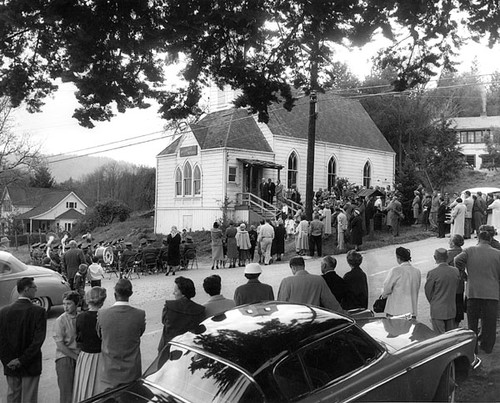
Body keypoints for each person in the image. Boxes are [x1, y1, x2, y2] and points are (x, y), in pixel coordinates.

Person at [0, 277, 47, 403]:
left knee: (13, 397)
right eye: (34, 287)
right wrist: (22, 360)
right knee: (29, 398)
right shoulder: (39, 311)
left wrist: (7, 360)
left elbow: (1, 339)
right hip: (31, 364)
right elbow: (38, 340)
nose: (36, 289)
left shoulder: (4, 311)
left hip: (10, 364)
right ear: (26, 289)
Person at [455, 231, 500, 354]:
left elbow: (457, 260)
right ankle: (487, 347)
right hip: (492, 294)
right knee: (490, 322)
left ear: (478, 239)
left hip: (473, 293)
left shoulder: (469, 251)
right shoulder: (498, 254)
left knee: (473, 323)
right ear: (490, 240)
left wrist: (463, 273)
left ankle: (473, 349)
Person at [97, 279, 146, 390]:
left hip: (109, 371)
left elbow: (100, 335)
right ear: (131, 294)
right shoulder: (139, 314)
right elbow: (140, 333)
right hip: (132, 371)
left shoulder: (102, 314)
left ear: (115, 294)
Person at [73, 287, 107, 402]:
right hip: (102, 356)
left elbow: (78, 339)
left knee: (85, 386)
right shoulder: (105, 316)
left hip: (86, 356)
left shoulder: (80, 317)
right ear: (102, 301)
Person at [277, 256, 343, 311]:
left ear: (293, 267)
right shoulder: (319, 280)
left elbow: (281, 305)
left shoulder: (287, 282)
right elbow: (330, 302)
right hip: (313, 319)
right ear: (303, 266)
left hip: (295, 320)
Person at [158, 277, 205, 351]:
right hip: (189, 347)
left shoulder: (169, 306)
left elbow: (164, 321)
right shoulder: (200, 310)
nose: (173, 293)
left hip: (169, 346)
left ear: (183, 294)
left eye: (176, 291)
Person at [424, 248, 459, 334]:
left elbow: (428, 292)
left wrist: (434, 302)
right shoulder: (455, 271)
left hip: (437, 309)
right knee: (450, 336)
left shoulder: (432, 273)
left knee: (440, 337)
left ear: (435, 257)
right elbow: (456, 287)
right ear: (447, 257)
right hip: (451, 308)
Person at [54, 291, 80, 403]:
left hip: (80, 355)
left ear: (77, 304)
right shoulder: (60, 321)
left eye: (69, 303)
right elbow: (60, 344)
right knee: (67, 392)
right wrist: (75, 357)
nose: (65, 307)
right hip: (65, 357)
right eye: (64, 304)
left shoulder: (81, 317)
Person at [382, 247, 421, 318]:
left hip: (395, 311)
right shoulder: (417, 271)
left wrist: (383, 295)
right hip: (411, 311)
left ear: (398, 258)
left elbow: (386, 289)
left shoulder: (395, 271)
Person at [447, 234, 466, 326]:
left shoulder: (448, 254)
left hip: (450, 284)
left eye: (450, 240)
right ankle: (457, 324)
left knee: (450, 305)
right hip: (460, 283)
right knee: (458, 302)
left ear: (453, 243)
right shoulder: (464, 252)